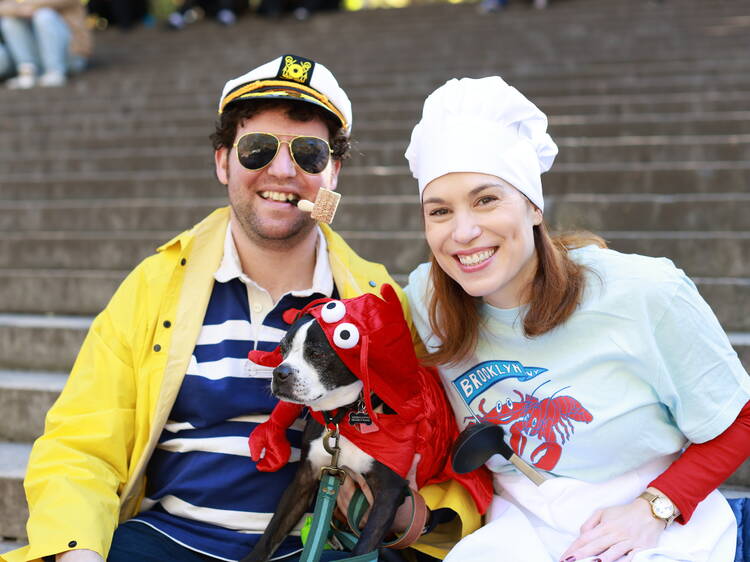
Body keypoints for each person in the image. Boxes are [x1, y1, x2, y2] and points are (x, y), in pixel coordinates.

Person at [2, 54, 480, 562]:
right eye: (257, 149)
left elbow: (431, 441)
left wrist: (408, 517)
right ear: (223, 162)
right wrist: (78, 552)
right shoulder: (154, 285)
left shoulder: (376, 301)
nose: (281, 170)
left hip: (318, 547)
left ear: (332, 174)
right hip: (165, 540)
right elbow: (80, 445)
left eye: (309, 154)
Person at [402, 76, 750, 562]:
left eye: (486, 200)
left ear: (533, 205)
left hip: (652, 526)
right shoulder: (427, 300)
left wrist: (655, 507)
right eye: (439, 211)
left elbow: (740, 417)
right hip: (518, 531)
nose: (463, 232)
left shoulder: (643, 293)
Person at [0, 0, 91, 89]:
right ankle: (27, 72)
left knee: (44, 15)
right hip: (39, 58)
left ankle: (54, 71)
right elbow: (3, 6)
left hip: (70, 56)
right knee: (10, 21)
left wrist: (26, 6)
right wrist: (22, 10)